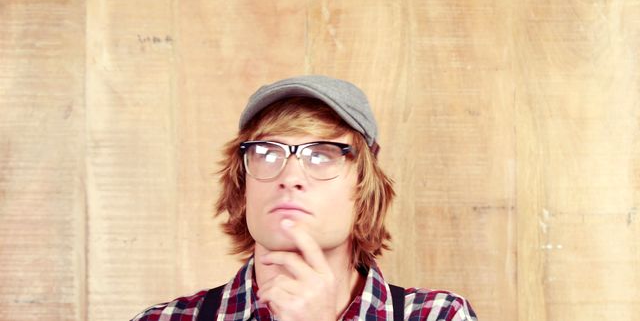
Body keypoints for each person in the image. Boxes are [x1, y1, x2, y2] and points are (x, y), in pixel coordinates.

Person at [131, 76, 478, 321]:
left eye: (322, 154)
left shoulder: (439, 315)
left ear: (362, 185)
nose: (290, 177)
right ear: (243, 185)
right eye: (267, 153)